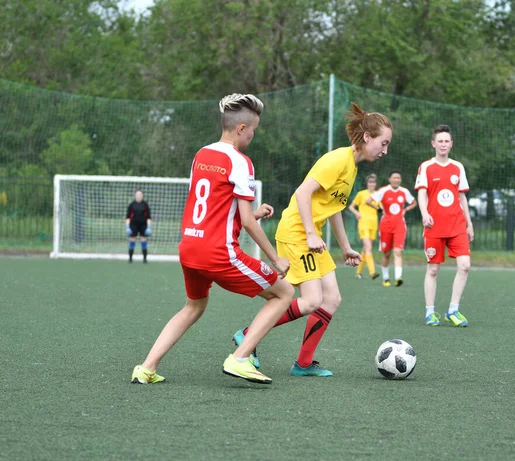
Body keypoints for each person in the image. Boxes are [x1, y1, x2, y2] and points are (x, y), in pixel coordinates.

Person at [131, 93, 294, 385]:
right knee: (284, 293)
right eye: (254, 130)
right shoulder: (241, 162)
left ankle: (146, 368)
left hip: (190, 247)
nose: (254, 136)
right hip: (219, 253)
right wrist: (275, 258)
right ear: (241, 128)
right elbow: (242, 222)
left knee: (194, 306)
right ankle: (240, 358)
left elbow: (213, 210)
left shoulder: (201, 154)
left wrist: (254, 214)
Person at [234, 102, 393, 377]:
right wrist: (309, 233)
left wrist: (345, 248)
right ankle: (247, 334)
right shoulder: (338, 160)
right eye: (383, 143)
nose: (385, 150)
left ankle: (303, 364)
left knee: (331, 299)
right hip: (296, 233)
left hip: (310, 235)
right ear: (368, 137)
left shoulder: (352, 167)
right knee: (311, 301)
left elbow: (334, 209)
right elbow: (302, 193)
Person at [415, 125, 474, 327]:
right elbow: (421, 193)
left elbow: (462, 197)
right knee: (433, 270)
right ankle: (430, 312)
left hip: (457, 225)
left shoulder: (458, 167)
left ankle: (453, 310)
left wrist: (469, 223)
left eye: (446, 141)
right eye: (439, 141)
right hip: (434, 226)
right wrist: (425, 213)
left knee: (465, 266)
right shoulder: (426, 167)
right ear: (433, 144)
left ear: (451, 144)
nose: (443, 144)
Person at [366, 170, 417, 287]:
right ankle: (386, 278)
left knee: (398, 251)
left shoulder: (404, 191)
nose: (396, 180)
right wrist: (379, 209)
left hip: (399, 225)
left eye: (398, 178)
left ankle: (398, 278)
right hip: (386, 225)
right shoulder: (384, 191)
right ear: (390, 179)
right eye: (394, 178)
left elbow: (414, 202)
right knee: (386, 254)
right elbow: (368, 201)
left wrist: (406, 209)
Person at [348, 174, 380, 280]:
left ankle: (358, 273)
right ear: (367, 183)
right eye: (370, 182)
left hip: (373, 224)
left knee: (366, 249)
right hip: (363, 224)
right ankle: (372, 272)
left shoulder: (378, 195)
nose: (372, 184)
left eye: (373, 182)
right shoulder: (361, 194)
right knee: (369, 248)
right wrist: (357, 213)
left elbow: (381, 208)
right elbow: (351, 207)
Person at [125, 190, 152, 264]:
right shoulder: (131, 205)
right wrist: (127, 227)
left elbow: (148, 217)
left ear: (142, 196)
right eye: (137, 195)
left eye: (140, 195)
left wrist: (149, 227)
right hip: (133, 225)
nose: (139, 196)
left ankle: (145, 259)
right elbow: (128, 217)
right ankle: (130, 259)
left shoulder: (145, 205)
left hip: (143, 225)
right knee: (132, 240)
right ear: (135, 196)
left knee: (143, 241)